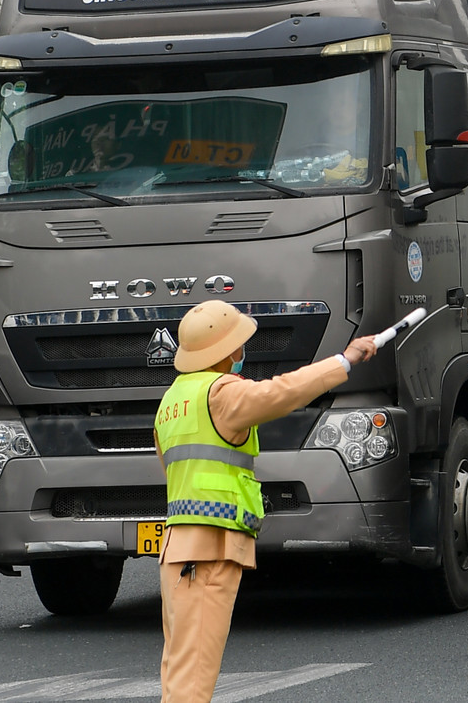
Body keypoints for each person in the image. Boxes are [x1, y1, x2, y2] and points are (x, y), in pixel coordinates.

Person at [154, 300, 377, 703]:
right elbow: (283, 392)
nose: (242, 352)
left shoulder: (171, 402)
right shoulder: (221, 394)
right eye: (238, 344)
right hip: (209, 550)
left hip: (178, 551)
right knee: (193, 680)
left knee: (179, 669)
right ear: (225, 353)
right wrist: (344, 361)